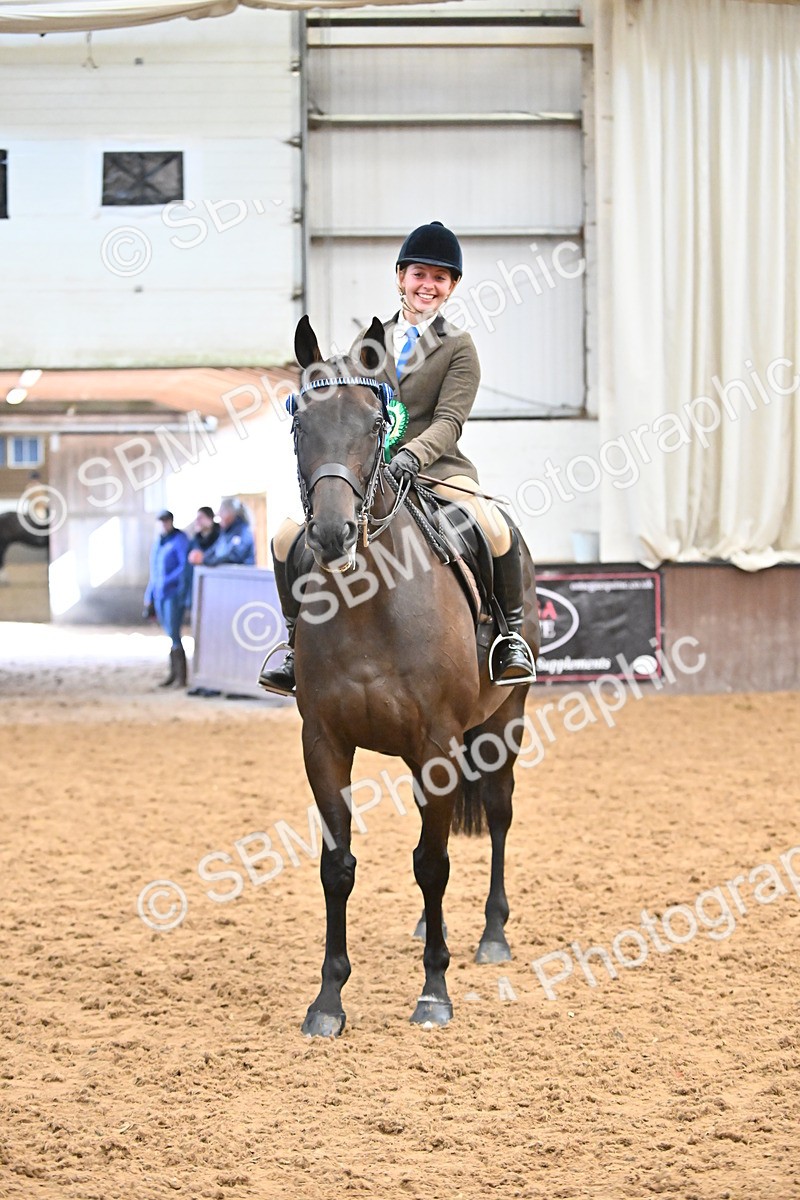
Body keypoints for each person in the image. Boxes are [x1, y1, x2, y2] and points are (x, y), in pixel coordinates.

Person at [260, 220, 537, 697]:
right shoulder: (368, 343)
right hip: (368, 478)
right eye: (419, 275)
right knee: (288, 536)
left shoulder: (459, 348)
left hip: (436, 473)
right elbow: (348, 410)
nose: (428, 285)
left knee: (493, 525)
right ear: (400, 277)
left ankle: (508, 637)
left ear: (451, 287)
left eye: (440, 278)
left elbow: (450, 421)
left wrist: (409, 458)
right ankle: (294, 644)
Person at [143, 510, 189, 688]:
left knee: (174, 632)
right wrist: (149, 595)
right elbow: (154, 572)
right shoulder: (158, 543)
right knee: (170, 633)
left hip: (173, 593)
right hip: (160, 594)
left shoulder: (179, 540)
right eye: (161, 521)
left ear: (171, 521)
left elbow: (183, 566)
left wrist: (167, 582)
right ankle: (174, 673)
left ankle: (181, 676)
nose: (164, 524)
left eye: (166, 521)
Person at [182, 505, 220, 612]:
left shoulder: (221, 538)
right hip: (197, 590)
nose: (197, 521)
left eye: (201, 518)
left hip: (215, 590)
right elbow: (187, 569)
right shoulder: (194, 542)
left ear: (210, 519)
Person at [199, 498, 255, 567]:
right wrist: (203, 557)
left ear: (231, 512)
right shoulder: (226, 532)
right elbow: (214, 550)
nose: (219, 515)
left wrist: (206, 561)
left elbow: (234, 556)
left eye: (222, 511)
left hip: (242, 575)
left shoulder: (243, 531)